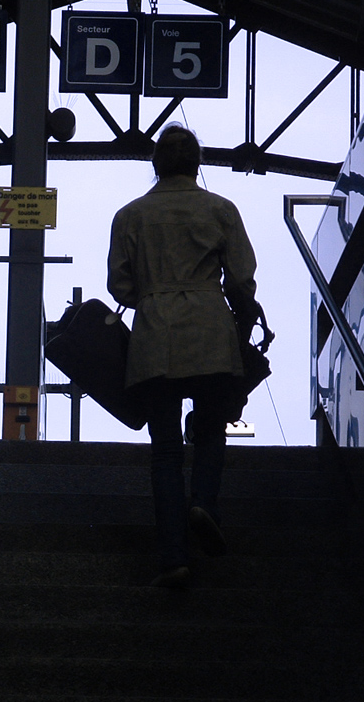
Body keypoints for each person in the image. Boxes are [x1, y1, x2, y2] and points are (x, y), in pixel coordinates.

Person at [108, 124, 258, 589]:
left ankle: (174, 557)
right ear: (197, 163)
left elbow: (120, 285)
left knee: (166, 451)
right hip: (211, 329)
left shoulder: (130, 215)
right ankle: (204, 504)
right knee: (211, 431)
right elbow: (242, 279)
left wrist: (154, 296)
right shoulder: (221, 210)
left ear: (156, 164)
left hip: (156, 335)